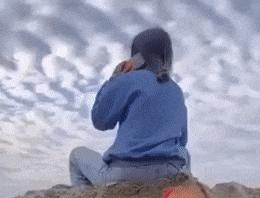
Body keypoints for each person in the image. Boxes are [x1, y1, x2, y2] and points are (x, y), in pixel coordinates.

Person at [69, 27, 191, 187]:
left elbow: (100, 121)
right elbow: (182, 140)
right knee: (184, 153)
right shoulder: (176, 90)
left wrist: (114, 78)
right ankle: (184, 192)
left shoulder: (127, 80)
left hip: (124, 175)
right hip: (169, 172)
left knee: (76, 155)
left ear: (137, 55)